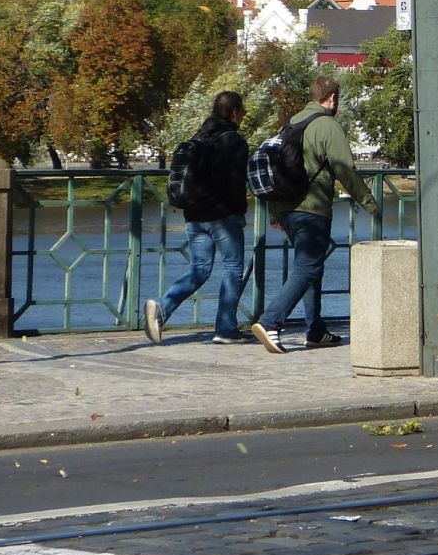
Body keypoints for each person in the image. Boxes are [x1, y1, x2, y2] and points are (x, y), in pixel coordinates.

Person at [250, 76, 380, 355]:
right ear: (332, 98)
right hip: (313, 209)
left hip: (286, 208)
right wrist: (368, 202)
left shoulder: (290, 124)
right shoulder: (328, 125)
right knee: (308, 268)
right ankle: (270, 321)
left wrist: (275, 211)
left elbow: (275, 168)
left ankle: (316, 330)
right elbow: (344, 168)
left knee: (310, 267)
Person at [145, 91, 251, 345]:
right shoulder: (234, 141)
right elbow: (236, 183)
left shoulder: (199, 136)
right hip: (223, 216)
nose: (243, 117)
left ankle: (163, 308)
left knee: (199, 269)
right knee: (233, 268)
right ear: (234, 112)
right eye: (242, 112)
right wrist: (239, 211)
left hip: (194, 214)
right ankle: (226, 329)